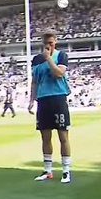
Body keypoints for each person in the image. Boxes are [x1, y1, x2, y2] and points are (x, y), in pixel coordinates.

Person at [28, 30, 72, 184]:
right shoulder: (36, 60)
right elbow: (34, 81)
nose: (48, 46)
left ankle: (66, 170)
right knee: (45, 137)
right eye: (46, 43)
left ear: (55, 42)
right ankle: (48, 171)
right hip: (43, 100)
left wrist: (48, 59)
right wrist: (31, 100)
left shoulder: (61, 56)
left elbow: (59, 73)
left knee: (63, 136)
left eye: (51, 43)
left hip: (58, 98)